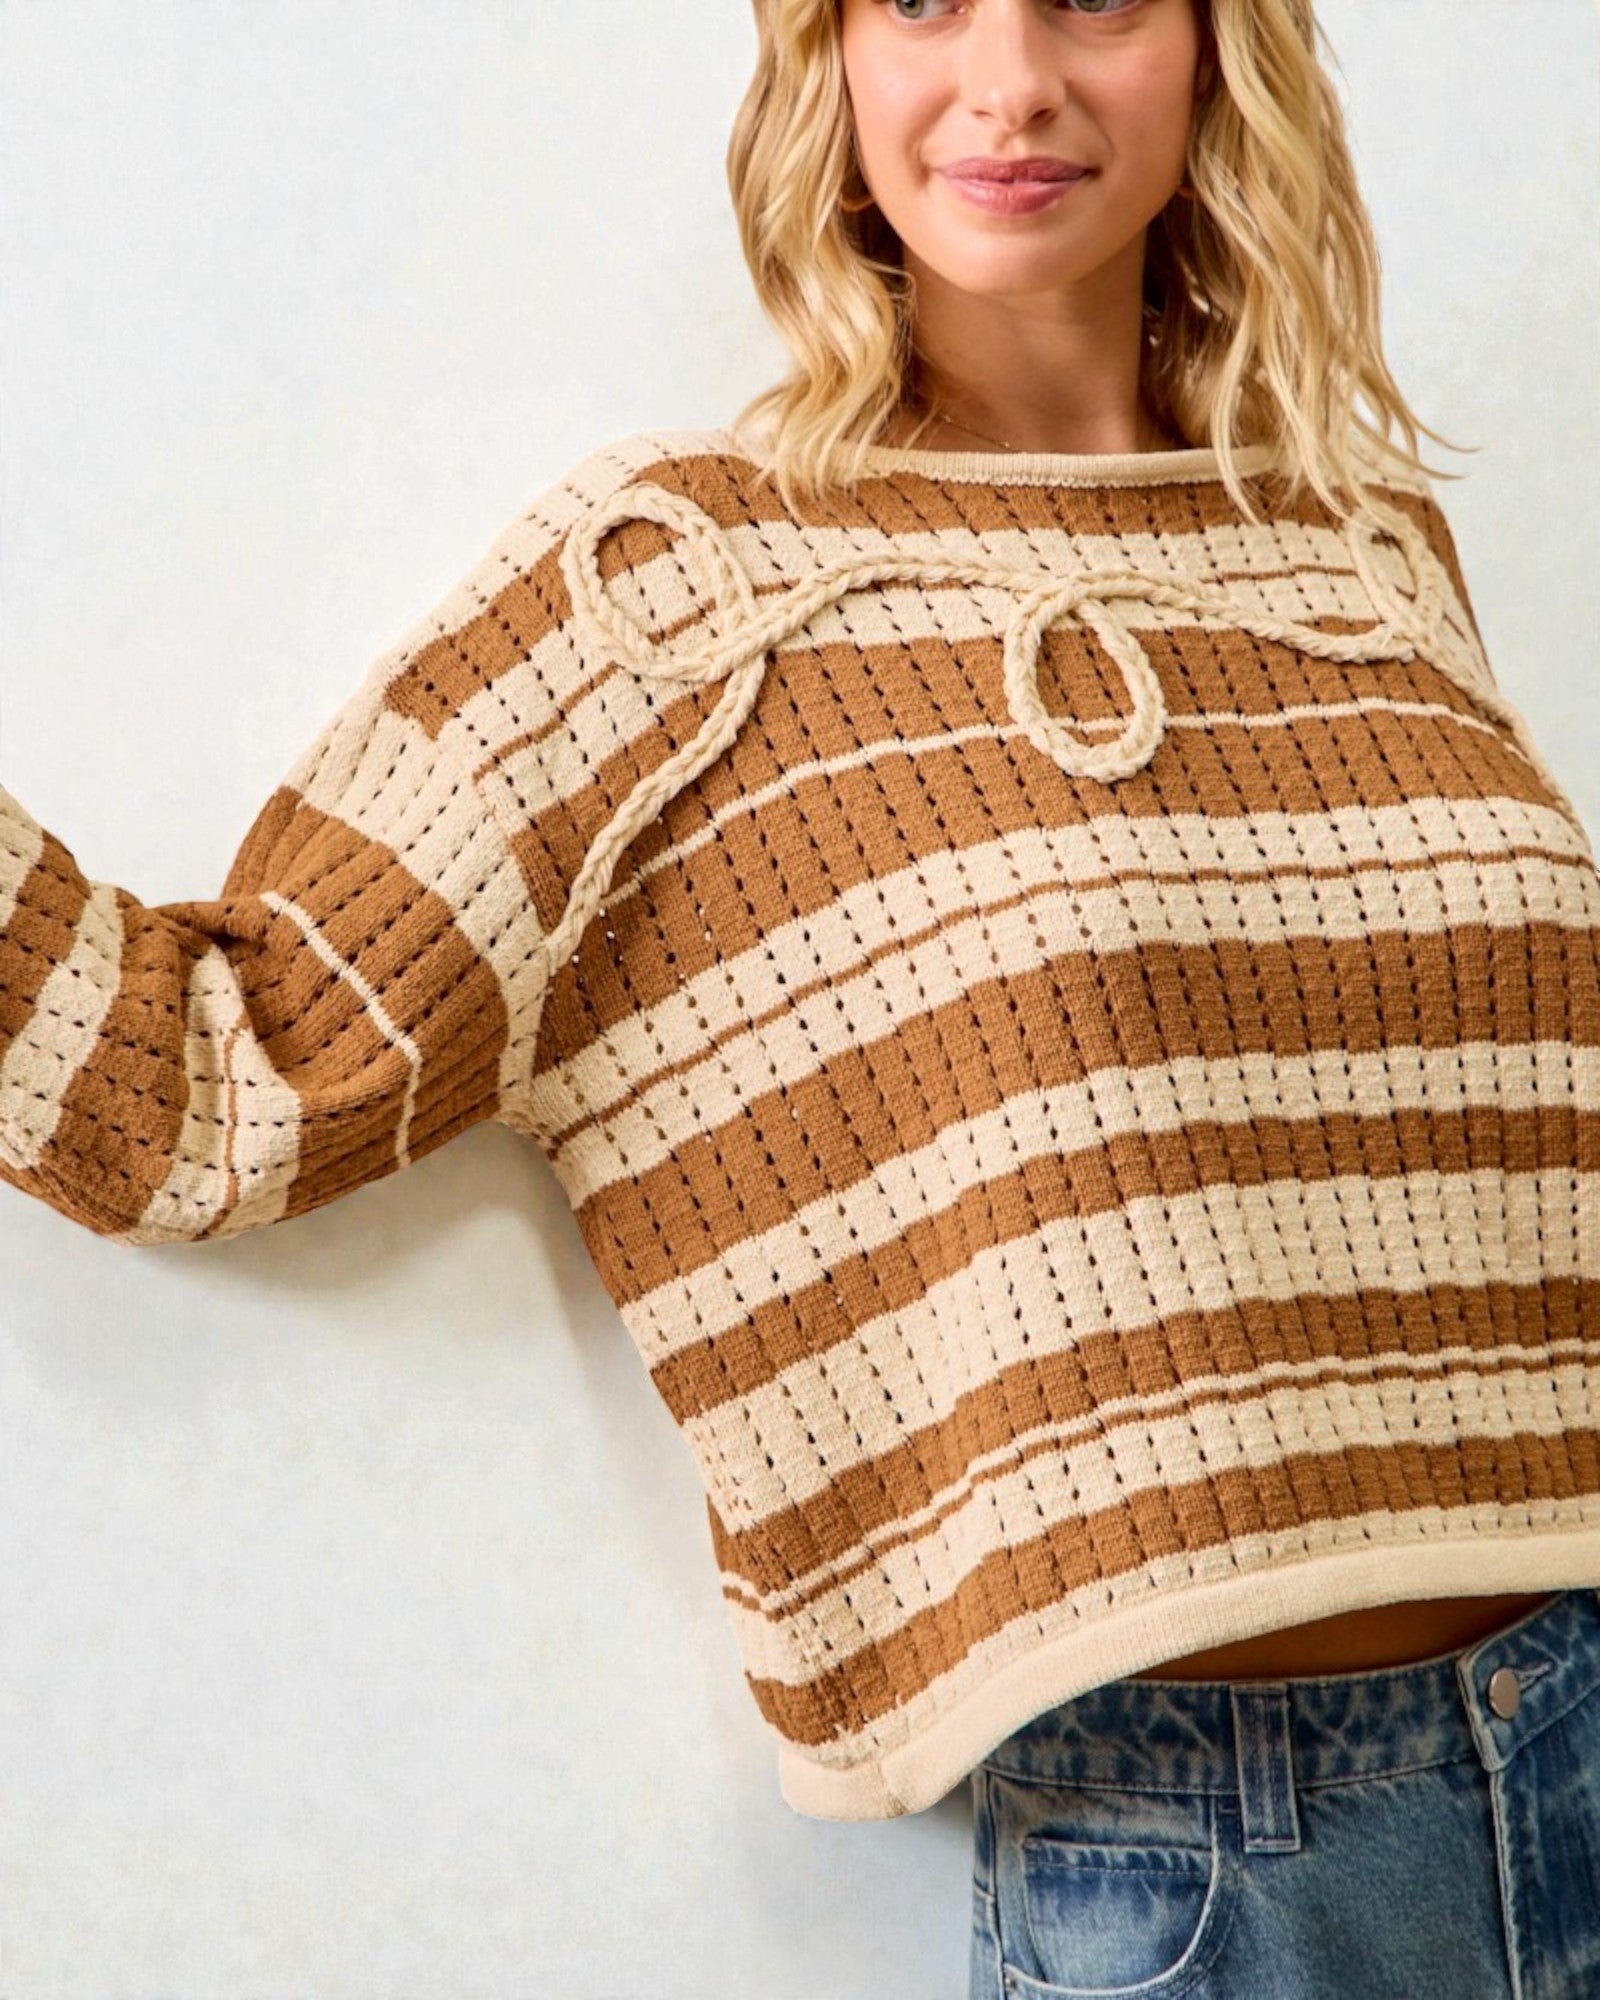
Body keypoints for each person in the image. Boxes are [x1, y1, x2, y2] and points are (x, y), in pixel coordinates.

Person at [2, 0, 1597, 1993]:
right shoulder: (679, 594)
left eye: (1094, 0)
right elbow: (205, 1085)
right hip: (1210, 1849)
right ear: (824, 61)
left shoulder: (1360, 550)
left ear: (1213, 53)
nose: (1006, 81)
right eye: (920, 1)